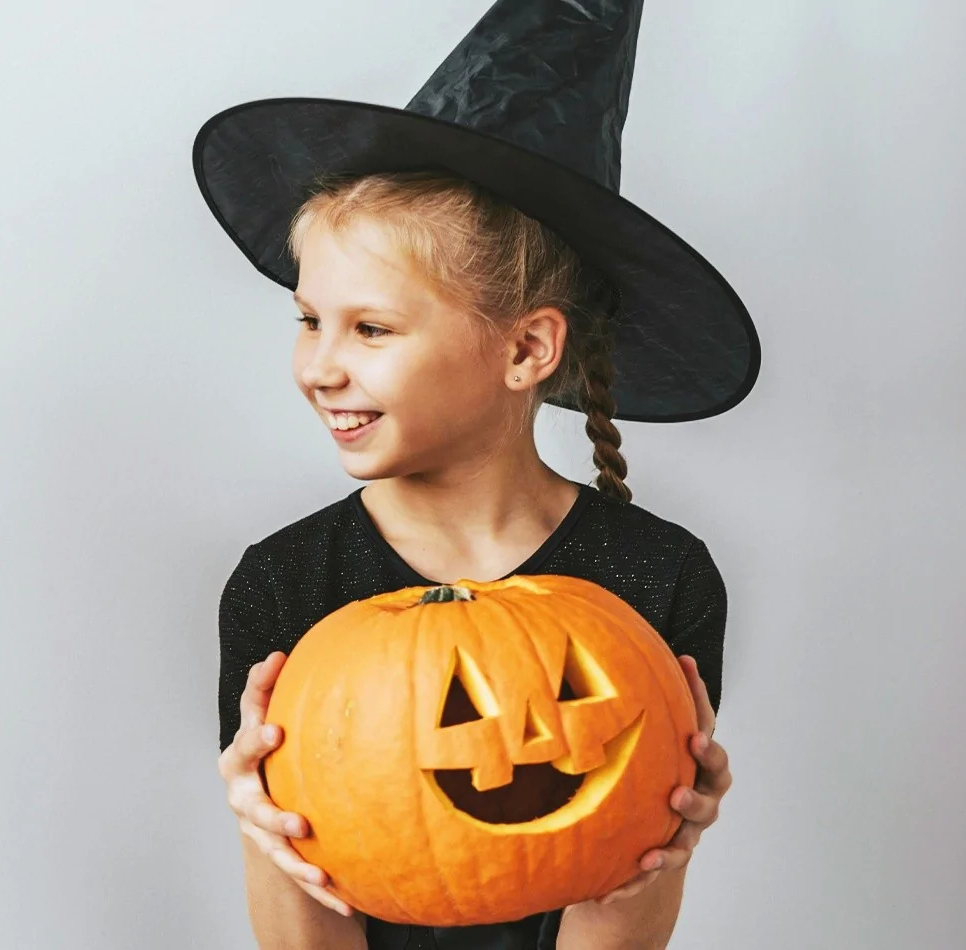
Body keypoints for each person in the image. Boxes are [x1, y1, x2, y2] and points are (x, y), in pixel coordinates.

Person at [193, 2, 756, 947]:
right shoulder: (286, 585)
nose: (321, 365)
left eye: (371, 329)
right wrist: (261, 827)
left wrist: (662, 849)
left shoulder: (659, 578)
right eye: (308, 319)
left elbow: (607, 878)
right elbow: (310, 901)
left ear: (528, 347)